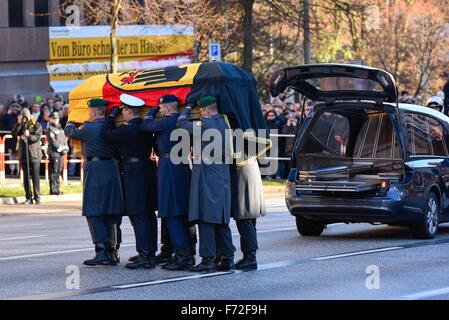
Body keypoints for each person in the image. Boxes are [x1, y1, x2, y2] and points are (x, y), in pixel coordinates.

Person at [176, 95, 235, 272]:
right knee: (221, 219)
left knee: (206, 218)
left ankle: (207, 260)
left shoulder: (206, 124)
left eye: (201, 111)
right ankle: (227, 258)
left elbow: (181, 123)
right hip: (222, 173)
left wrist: (187, 108)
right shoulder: (225, 123)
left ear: (207, 110)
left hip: (207, 174)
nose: (200, 114)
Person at [65, 98, 124, 266]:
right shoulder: (111, 126)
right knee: (111, 211)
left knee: (94, 211)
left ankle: (101, 251)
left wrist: (71, 119)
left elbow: (69, 131)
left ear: (92, 112)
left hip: (95, 169)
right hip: (111, 168)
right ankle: (113, 251)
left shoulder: (89, 128)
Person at [101, 94, 158, 269]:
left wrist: (111, 116)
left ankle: (144, 255)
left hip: (134, 173)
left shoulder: (128, 130)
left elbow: (106, 134)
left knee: (138, 213)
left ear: (127, 111)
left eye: (123, 109)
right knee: (148, 213)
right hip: (148, 170)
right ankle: (150, 252)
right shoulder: (145, 126)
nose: (122, 112)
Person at [141, 94, 195, 271]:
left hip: (169, 167)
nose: (160, 109)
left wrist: (151, 111)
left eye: (162, 107)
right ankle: (184, 251)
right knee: (181, 212)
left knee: (172, 212)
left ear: (169, 108)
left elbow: (146, 125)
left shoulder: (167, 121)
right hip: (182, 166)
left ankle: (183, 254)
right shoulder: (181, 121)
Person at [230, 159, 266, 270]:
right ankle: (250, 255)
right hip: (250, 170)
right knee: (249, 217)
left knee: (244, 217)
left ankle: (250, 257)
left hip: (243, 172)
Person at [11, 108, 42, 204]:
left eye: (26, 116)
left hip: (34, 154)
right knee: (26, 177)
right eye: (23, 116)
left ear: (30, 116)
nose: (25, 118)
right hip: (24, 155)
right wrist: (18, 123)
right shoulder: (21, 125)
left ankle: (37, 197)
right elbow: (13, 134)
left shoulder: (36, 124)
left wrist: (29, 135)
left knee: (35, 177)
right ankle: (28, 197)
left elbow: (37, 137)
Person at [46, 112, 68, 195]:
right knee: (54, 171)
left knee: (59, 171)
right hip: (54, 153)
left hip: (61, 153)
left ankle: (57, 189)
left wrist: (65, 148)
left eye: (57, 118)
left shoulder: (60, 129)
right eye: (54, 118)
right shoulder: (50, 129)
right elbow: (53, 141)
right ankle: (53, 190)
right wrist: (61, 149)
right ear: (50, 119)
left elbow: (64, 140)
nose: (56, 120)